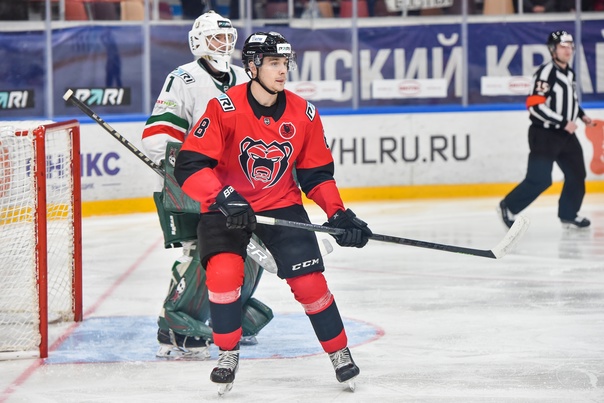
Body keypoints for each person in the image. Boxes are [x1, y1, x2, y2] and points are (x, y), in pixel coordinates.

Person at [174, 31, 373, 394]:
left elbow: (316, 175)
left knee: (310, 283)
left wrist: (338, 214)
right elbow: (190, 166)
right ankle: (228, 354)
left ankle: (339, 352)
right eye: (273, 63)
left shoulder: (304, 113)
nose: (283, 71)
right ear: (252, 67)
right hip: (226, 207)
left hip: (280, 203)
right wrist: (223, 196)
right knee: (224, 275)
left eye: (285, 63)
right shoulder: (224, 108)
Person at [141, 11, 274, 359]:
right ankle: (175, 325)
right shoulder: (183, 78)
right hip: (193, 184)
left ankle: (227, 313)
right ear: (198, 41)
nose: (224, 45)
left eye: (229, 38)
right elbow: (158, 135)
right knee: (201, 251)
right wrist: (183, 169)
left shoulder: (245, 77)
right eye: (217, 38)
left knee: (252, 247)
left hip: (239, 184)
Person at [498, 30, 593, 230]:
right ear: (552, 50)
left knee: (577, 174)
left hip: (566, 135)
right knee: (540, 180)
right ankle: (508, 206)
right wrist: (563, 122)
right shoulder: (546, 73)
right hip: (544, 135)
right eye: (563, 47)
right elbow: (535, 106)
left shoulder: (569, 73)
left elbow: (570, 101)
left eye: (570, 46)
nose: (568, 50)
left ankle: (568, 214)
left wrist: (581, 115)